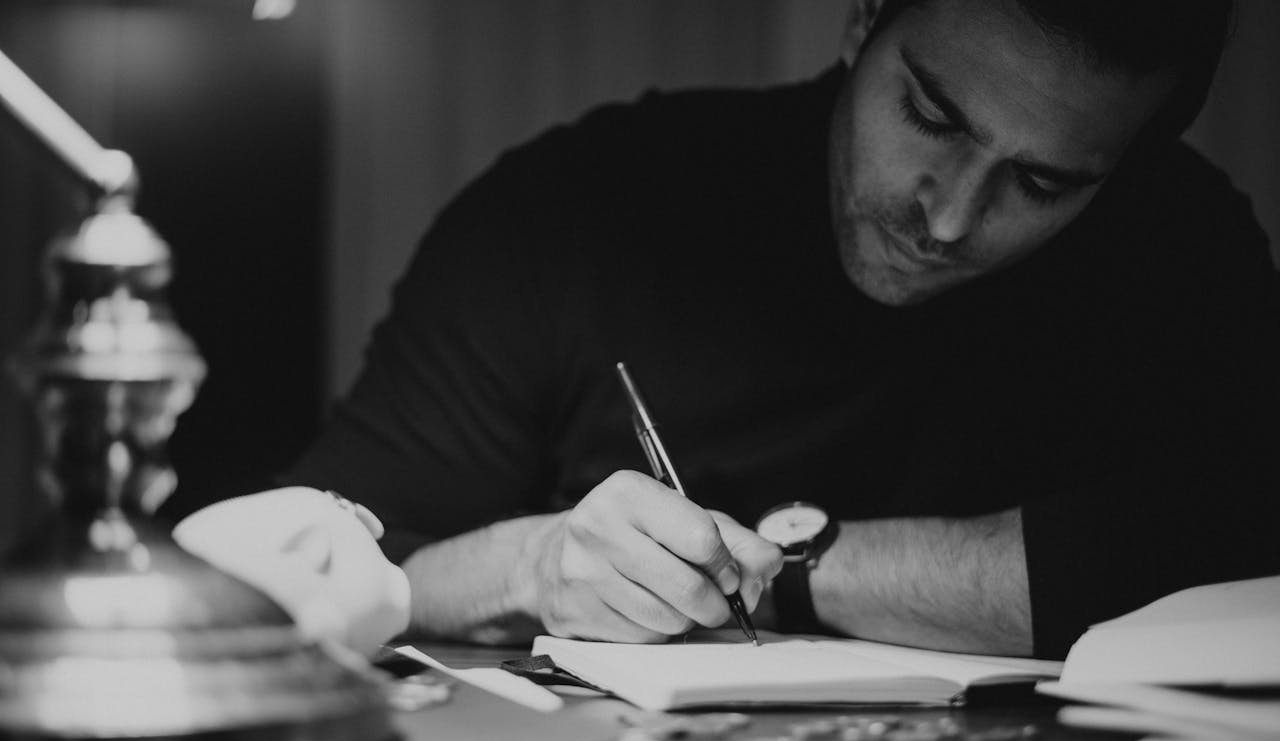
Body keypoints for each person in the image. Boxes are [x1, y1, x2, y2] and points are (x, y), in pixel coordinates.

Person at [285, 0, 1279, 659]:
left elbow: (1233, 550)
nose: (946, 220)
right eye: (931, 117)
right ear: (859, 20)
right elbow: (329, 555)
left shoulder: (1178, 251)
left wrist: (792, 576)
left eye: (1041, 183)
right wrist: (531, 568)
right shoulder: (583, 207)